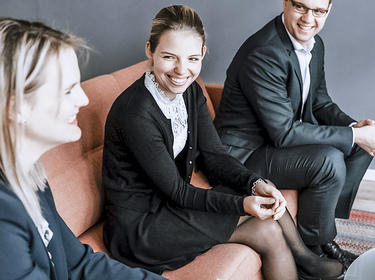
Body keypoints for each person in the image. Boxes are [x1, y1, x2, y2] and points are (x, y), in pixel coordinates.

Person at [102, 5, 346, 280]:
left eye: (192, 58)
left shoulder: (190, 92)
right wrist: (243, 204)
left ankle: (304, 261)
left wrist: (255, 183)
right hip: (140, 228)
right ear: (150, 51)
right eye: (169, 57)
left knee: (267, 223)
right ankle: (306, 263)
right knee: (261, 218)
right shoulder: (136, 113)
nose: (182, 70)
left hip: (170, 207)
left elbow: (215, 156)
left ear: (203, 53)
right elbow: (178, 192)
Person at [214, 0, 375, 269]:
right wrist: (356, 137)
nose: (308, 19)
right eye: (301, 7)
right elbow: (284, 132)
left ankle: (322, 236)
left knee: (358, 146)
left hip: (274, 143)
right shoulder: (264, 52)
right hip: (244, 155)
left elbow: (321, 103)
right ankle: (312, 249)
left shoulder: (315, 44)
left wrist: (357, 129)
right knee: (329, 160)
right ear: (286, 3)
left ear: (329, 10)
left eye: (318, 11)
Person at [0, 17, 165, 280]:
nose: (84, 98)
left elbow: (78, 264)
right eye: (67, 91)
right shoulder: (4, 214)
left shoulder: (29, 175)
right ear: (15, 107)